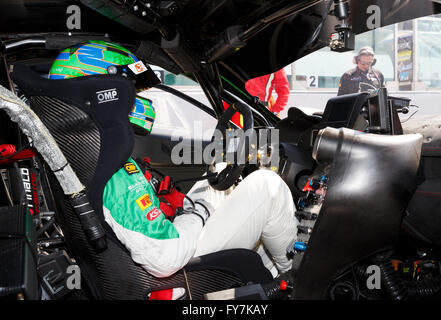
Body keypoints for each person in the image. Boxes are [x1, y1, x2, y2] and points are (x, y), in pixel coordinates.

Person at [48, 41, 298, 280]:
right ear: (102, 92)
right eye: (131, 91)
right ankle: (301, 281)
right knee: (267, 186)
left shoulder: (84, 151)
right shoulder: (108, 170)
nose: (137, 98)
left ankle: (277, 281)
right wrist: (199, 212)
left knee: (219, 177)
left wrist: (194, 208)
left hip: (165, 250)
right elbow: (165, 257)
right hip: (175, 275)